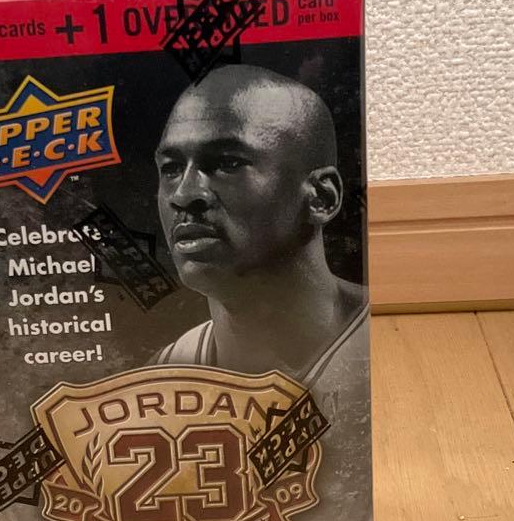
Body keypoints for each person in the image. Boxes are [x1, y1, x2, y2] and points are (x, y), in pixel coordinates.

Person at [152, 64, 367, 382]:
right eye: (171, 168)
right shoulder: (165, 373)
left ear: (321, 197)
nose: (184, 195)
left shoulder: (383, 345)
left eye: (228, 163)